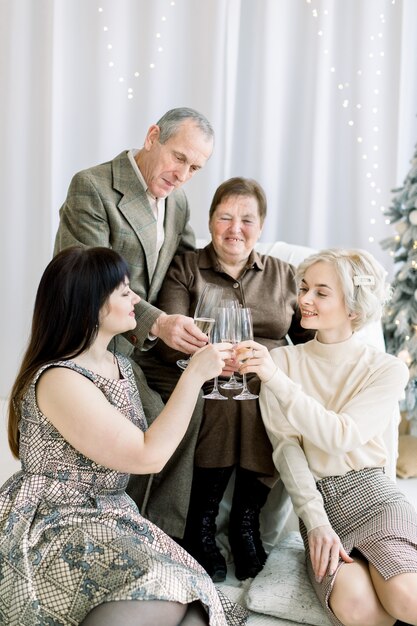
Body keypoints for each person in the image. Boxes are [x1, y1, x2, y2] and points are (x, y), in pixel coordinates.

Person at [0, 246, 248, 626]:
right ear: (91, 305)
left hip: (111, 514)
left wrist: (206, 373)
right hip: (56, 521)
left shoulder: (122, 366)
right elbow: (148, 456)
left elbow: (159, 435)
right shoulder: (60, 379)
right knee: (163, 593)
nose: (136, 299)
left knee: (199, 602)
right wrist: (194, 375)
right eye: (123, 291)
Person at [137, 177, 314, 581]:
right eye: (226, 217)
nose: (236, 229)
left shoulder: (285, 275)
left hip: (265, 374)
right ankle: (201, 523)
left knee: (258, 392)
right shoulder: (186, 267)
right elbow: (171, 338)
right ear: (211, 220)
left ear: (262, 226)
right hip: (204, 372)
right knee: (222, 396)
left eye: (247, 220)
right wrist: (208, 355)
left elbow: (306, 338)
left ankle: (245, 524)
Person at [53, 107, 214, 534]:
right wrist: (160, 323)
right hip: (99, 340)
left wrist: (184, 319)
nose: (182, 174)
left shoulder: (177, 201)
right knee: (152, 414)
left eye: (195, 168)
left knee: (191, 402)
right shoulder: (93, 187)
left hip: (149, 342)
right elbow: (88, 282)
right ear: (152, 136)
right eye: (179, 158)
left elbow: (183, 264)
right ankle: (126, 529)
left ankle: (165, 532)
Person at [238, 248, 417, 626]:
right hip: (323, 509)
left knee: (404, 598)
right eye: (303, 288)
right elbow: (287, 450)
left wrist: (276, 381)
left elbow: (340, 435)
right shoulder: (283, 362)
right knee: (360, 611)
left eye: (321, 292)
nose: (304, 299)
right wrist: (315, 522)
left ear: (352, 308)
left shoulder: (386, 370)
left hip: (376, 499)